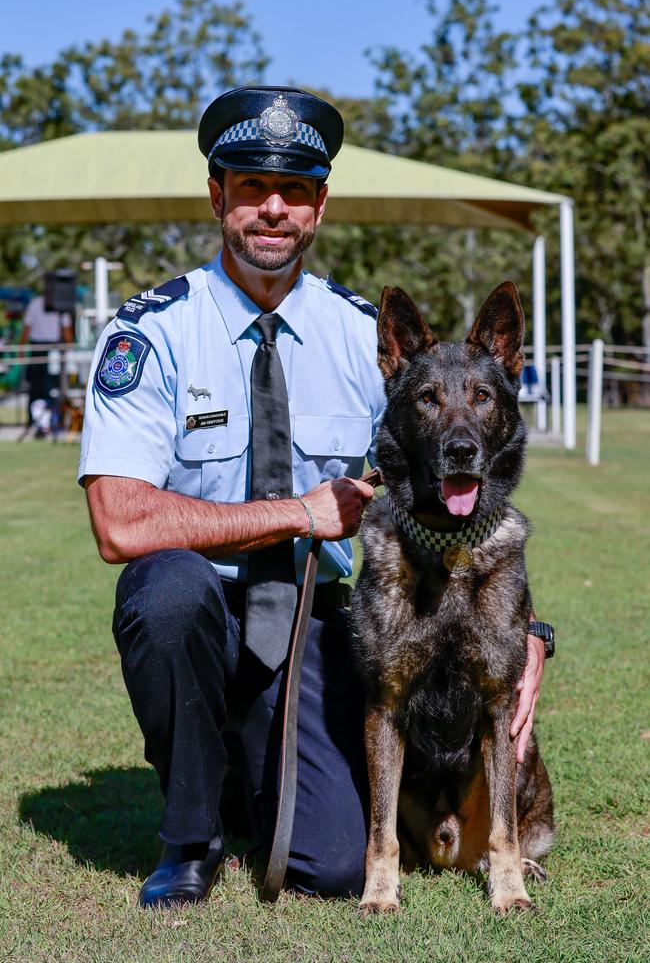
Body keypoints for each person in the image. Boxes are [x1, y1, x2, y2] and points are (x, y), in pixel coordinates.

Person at [78, 86, 547, 909]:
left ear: (319, 205)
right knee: (170, 592)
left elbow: (455, 478)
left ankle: (247, 781)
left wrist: (529, 629)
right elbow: (119, 521)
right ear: (216, 194)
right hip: (199, 611)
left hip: (312, 622)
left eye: (294, 191)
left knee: (329, 867)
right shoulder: (151, 332)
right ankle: (189, 838)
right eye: (251, 186)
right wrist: (300, 512)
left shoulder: (360, 336)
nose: (272, 208)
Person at [19, 292, 74, 435]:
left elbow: (26, 328)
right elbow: (27, 328)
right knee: (41, 389)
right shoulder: (37, 303)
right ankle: (38, 422)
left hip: (51, 350)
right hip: (42, 349)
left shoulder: (56, 305)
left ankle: (47, 422)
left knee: (47, 389)